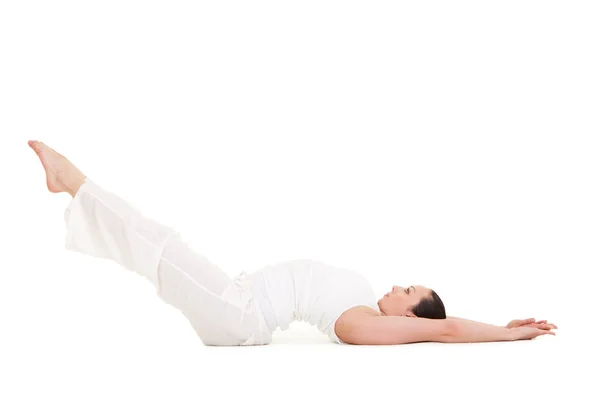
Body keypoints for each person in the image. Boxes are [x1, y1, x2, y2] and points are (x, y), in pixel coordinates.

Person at [27, 140, 557, 346]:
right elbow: (445, 325)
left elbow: (450, 329)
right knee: (160, 251)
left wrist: (508, 334)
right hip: (235, 298)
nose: (398, 284)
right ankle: (77, 188)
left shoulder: (362, 324)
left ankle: (73, 181)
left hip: (238, 314)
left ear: (411, 318)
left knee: (159, 247)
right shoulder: (362, 298)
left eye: (409, 289)